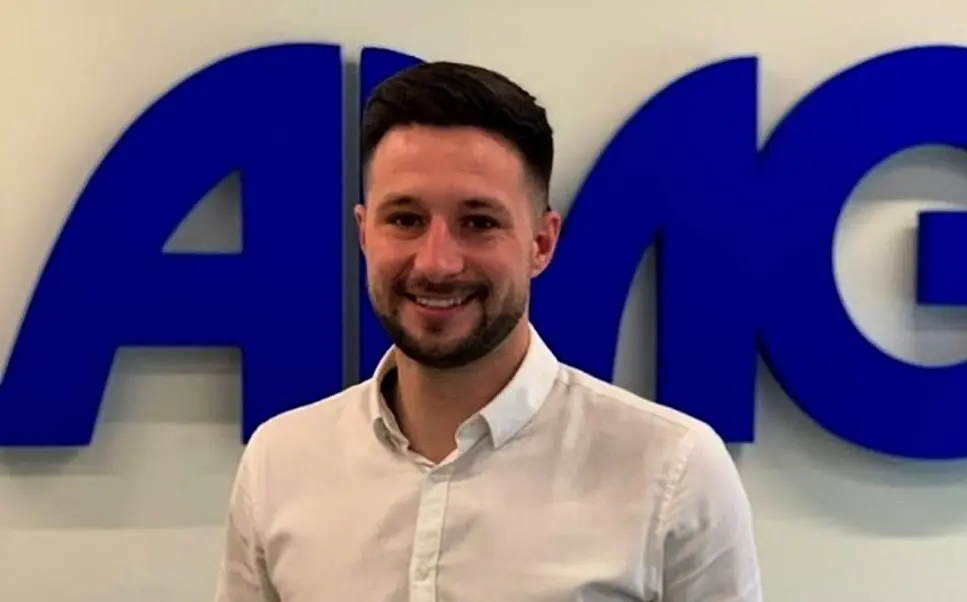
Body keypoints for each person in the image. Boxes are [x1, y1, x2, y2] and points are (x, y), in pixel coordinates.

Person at [214, 60, 763, 602]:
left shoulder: (673, 471)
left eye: (479, 222)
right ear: (364, 233)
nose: (436, 263)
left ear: (541, 244)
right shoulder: (279, 462)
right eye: (405, 219)